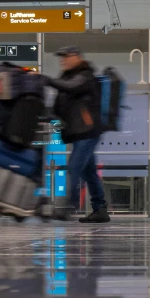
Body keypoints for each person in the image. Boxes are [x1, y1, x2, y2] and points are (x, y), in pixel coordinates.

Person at [47, 46, 108, 224]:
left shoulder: (85, 76)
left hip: (88, 132)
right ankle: (100, 209)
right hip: (78, 133)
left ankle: (68, 207)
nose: (63, 60)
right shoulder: (67, 77)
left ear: (78, 57)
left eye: (67, 56)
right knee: (89, 173)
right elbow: (59, 107)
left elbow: (71, 88)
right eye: (61, 57)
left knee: (74, 167)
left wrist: (45, 80)